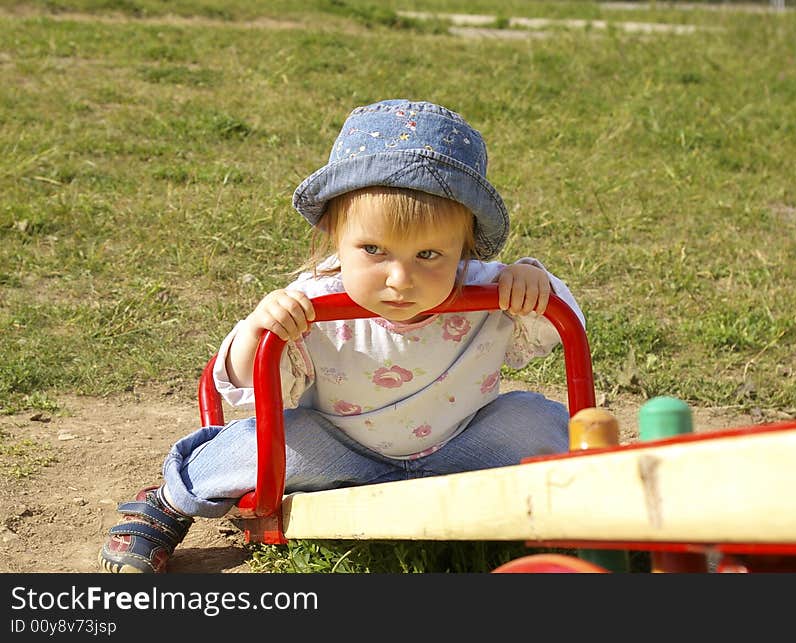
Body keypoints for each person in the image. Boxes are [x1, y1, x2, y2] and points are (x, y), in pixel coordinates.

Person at [99, 98, 586, 573]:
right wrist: (260, 330)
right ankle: (168, 502)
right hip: (340, 449)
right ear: (335, 234)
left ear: (466, 246)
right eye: (374, 249)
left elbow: (560, 331)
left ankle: (590, 490)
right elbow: (251, 385)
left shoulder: (488, 289)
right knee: (261, 442)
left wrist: (535, 283)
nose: (400, 279)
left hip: (461, 444)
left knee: (535, 418)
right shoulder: (313, 302)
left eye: (430, 255)